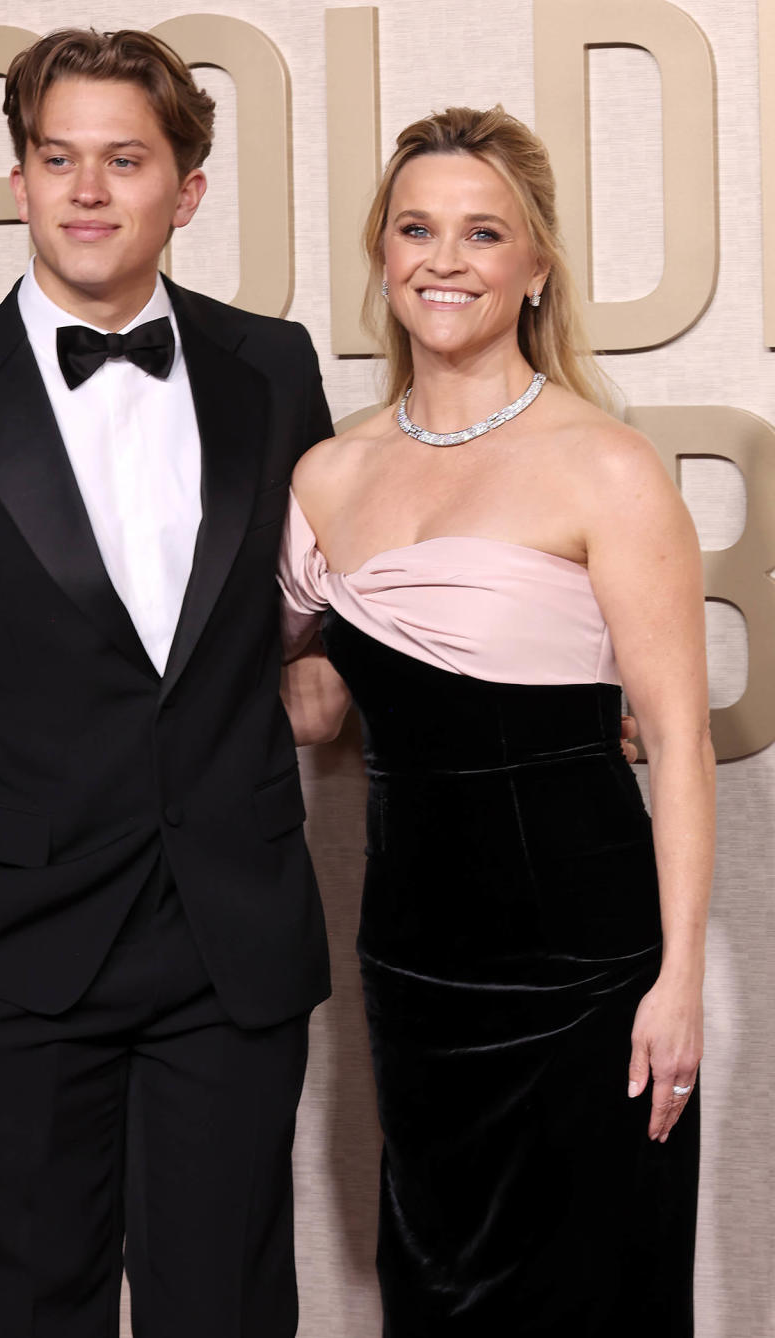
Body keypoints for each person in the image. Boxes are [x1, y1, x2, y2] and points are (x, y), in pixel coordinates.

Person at [0, 28, 333, 1338]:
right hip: (10, 952)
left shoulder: (275, 372)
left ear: (189, 188)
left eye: (124, 158)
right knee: (32, 1315)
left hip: (230, 945)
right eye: (58, 158)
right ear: (21, 178)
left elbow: (342, 605)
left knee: (225, 1314)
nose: (88, 189)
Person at [279, 105, 713, 1336]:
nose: (446, 259)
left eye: (484, 233)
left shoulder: (605, 465)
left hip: (588, 960)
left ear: (534, 269)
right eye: (417, 228)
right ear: (382, 253)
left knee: (597, 1288)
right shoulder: (328, 475)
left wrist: (679, 980)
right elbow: (315, 702)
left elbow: (676, 739)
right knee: (437, 1293)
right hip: (416, 961)